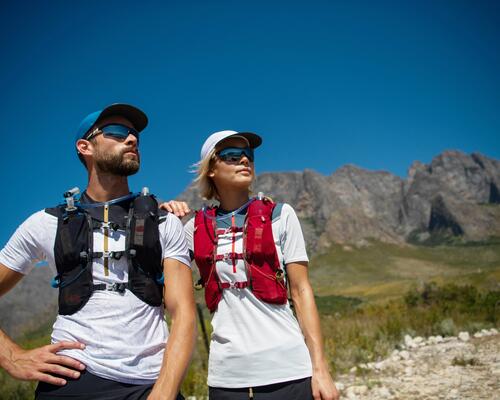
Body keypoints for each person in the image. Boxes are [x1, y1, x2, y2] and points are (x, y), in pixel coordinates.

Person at [0, 104, 197, 400]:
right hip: (71, 381)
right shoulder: (44, 223)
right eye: (117, 133)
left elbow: (184, 313)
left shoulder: (165, 222)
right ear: (85, 147)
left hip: (152, 385)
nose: (131, 140)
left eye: (135, 136)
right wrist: (11, 357)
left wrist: (165, 393)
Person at [164, 130, 339, 400]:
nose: (244, 160)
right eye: (232, 156)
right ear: (211, 168)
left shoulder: (281, 216)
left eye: (249, 156)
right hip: (226, 377)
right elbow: (162, 285)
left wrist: (320, 368)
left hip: (290, 370)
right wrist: (166, 220)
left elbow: (302, 291)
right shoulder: (193, 229)